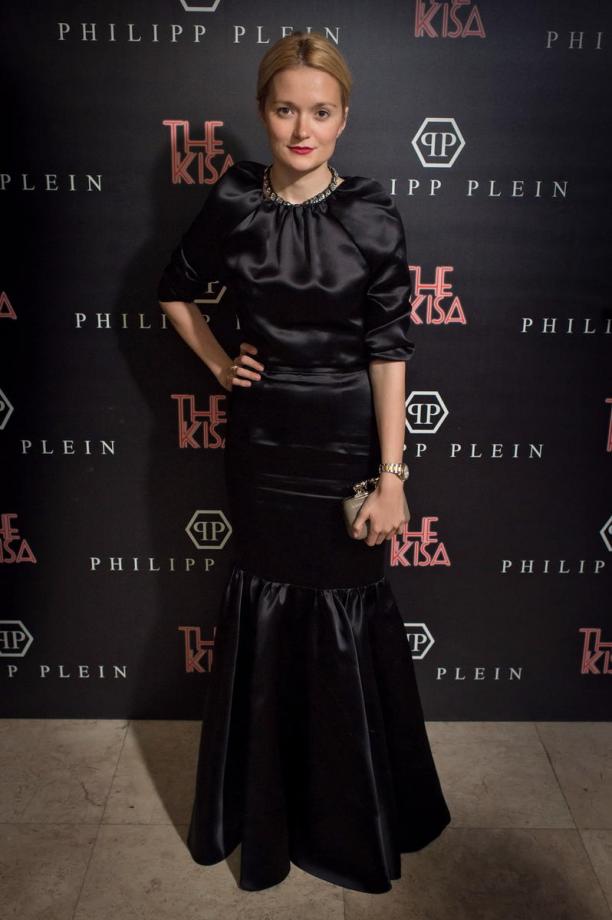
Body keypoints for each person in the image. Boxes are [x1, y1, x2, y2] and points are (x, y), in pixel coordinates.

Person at [158, 31, 451, 894]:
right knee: (268, 607)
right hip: (262, 445)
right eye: (285, 109)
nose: (301, 129)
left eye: (320, 112)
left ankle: (348, 818)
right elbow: (174, 289)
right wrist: (221, 366)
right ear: (263, 111)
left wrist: (392, 477)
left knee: (345, 609)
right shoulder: (233, 201)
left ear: (344, 117)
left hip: (345, 444)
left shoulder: (371, 215)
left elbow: (389, 351)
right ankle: (268, 808)